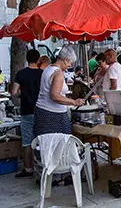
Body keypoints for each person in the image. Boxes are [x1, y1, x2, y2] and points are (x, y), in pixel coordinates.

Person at [34, 46, 85, 138]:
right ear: (65, 60)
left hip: (43, 111)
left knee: (46, 145)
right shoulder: (58, 73)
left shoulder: (48, 68)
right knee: (62, 145)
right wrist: (74, 102)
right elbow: (54, 96)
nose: (69, 65)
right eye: (70, 62)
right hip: (53, 114)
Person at [11, 49, 43, 178]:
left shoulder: (21, 74)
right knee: (42, 140)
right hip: (41, 110)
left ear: (26, 59)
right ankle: (43, 166)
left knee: (27, 142)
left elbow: (14, 92)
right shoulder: (43, 73)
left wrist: (21, 94)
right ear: (38, 59)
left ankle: (28, 168)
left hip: (26, 110)